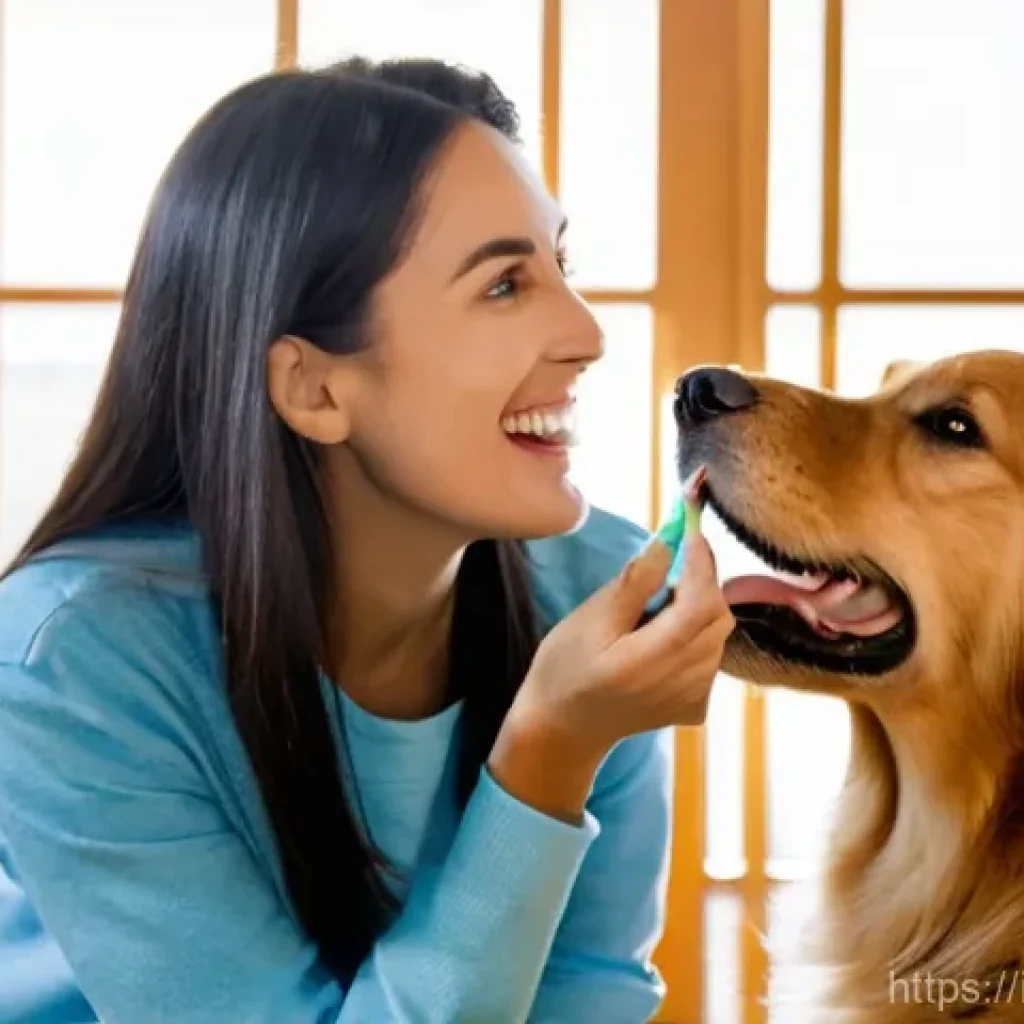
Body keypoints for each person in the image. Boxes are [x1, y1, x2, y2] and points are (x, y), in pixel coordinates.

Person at [0, 57, 733, 1024]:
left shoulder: (598, 596)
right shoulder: (72, 665)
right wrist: (549, 754)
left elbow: (589, 996)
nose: (587, 332)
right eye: (506, 285)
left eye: (564, 265)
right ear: (314, 387)